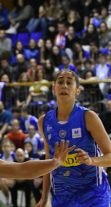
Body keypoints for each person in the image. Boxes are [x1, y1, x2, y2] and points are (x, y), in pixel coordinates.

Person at [36, 70, 111, 207]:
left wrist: (91, 160)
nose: (64, 86)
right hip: (62, 197)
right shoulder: (44, 121)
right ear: (54, 88)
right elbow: (49, 160)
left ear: (77, 90)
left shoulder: (89, 117)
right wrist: (44, 197)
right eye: (60, 82)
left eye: (69, 82)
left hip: (93, 195)